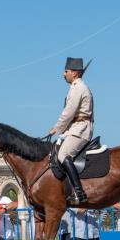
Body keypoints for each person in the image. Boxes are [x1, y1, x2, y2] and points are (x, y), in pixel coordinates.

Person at [47, 57, 94, 204]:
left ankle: (79, 192)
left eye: (66, 71)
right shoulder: (76, 87)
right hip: (74, 128)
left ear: (74, 73)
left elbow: (69, 112)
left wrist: (56, 128)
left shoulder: (78, 88)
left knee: (63, 155)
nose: (63, 74)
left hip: (80, 129)